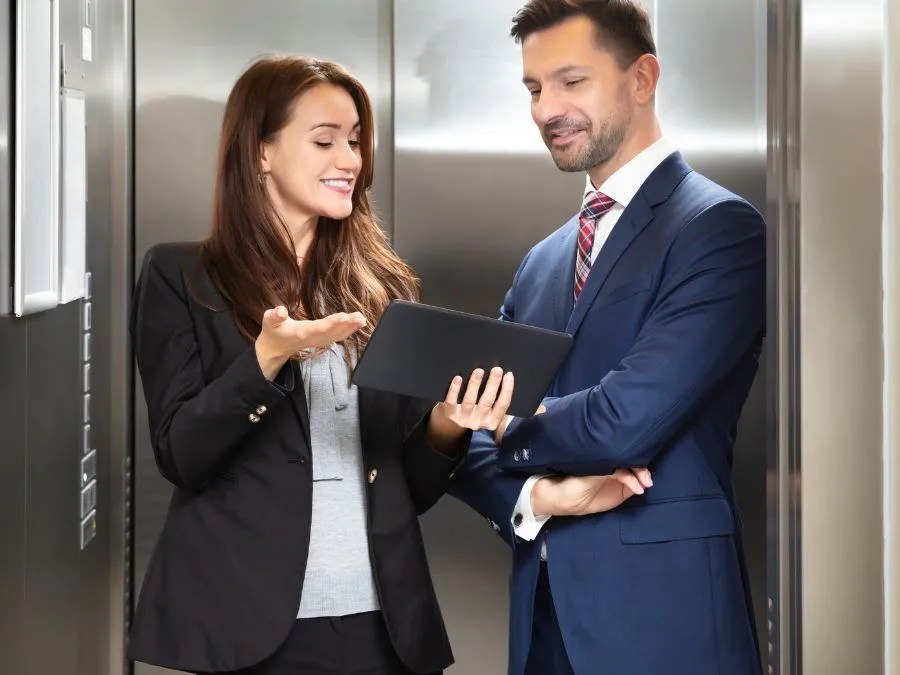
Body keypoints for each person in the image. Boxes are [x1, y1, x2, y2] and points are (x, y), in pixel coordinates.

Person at [127, 55, 520, 675]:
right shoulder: (182, 276)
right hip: (248, 623)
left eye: (356, 141)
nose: (349, 161)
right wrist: (266, 359)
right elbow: (183, 456)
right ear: (260, 151)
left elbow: (408, 490)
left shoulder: (384, 287)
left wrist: (448, 423)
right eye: (324, 141)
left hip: (383, 623)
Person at [450, 2, 766, 674]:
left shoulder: (718, 230)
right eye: (534, 89)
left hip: (665, 627)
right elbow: (465, 443)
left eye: (571, 81)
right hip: (541, 628)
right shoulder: (540, 261)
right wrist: (537, 497)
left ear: (642, 78)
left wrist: (513, 421)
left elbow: (627, 417)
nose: (545, 109)